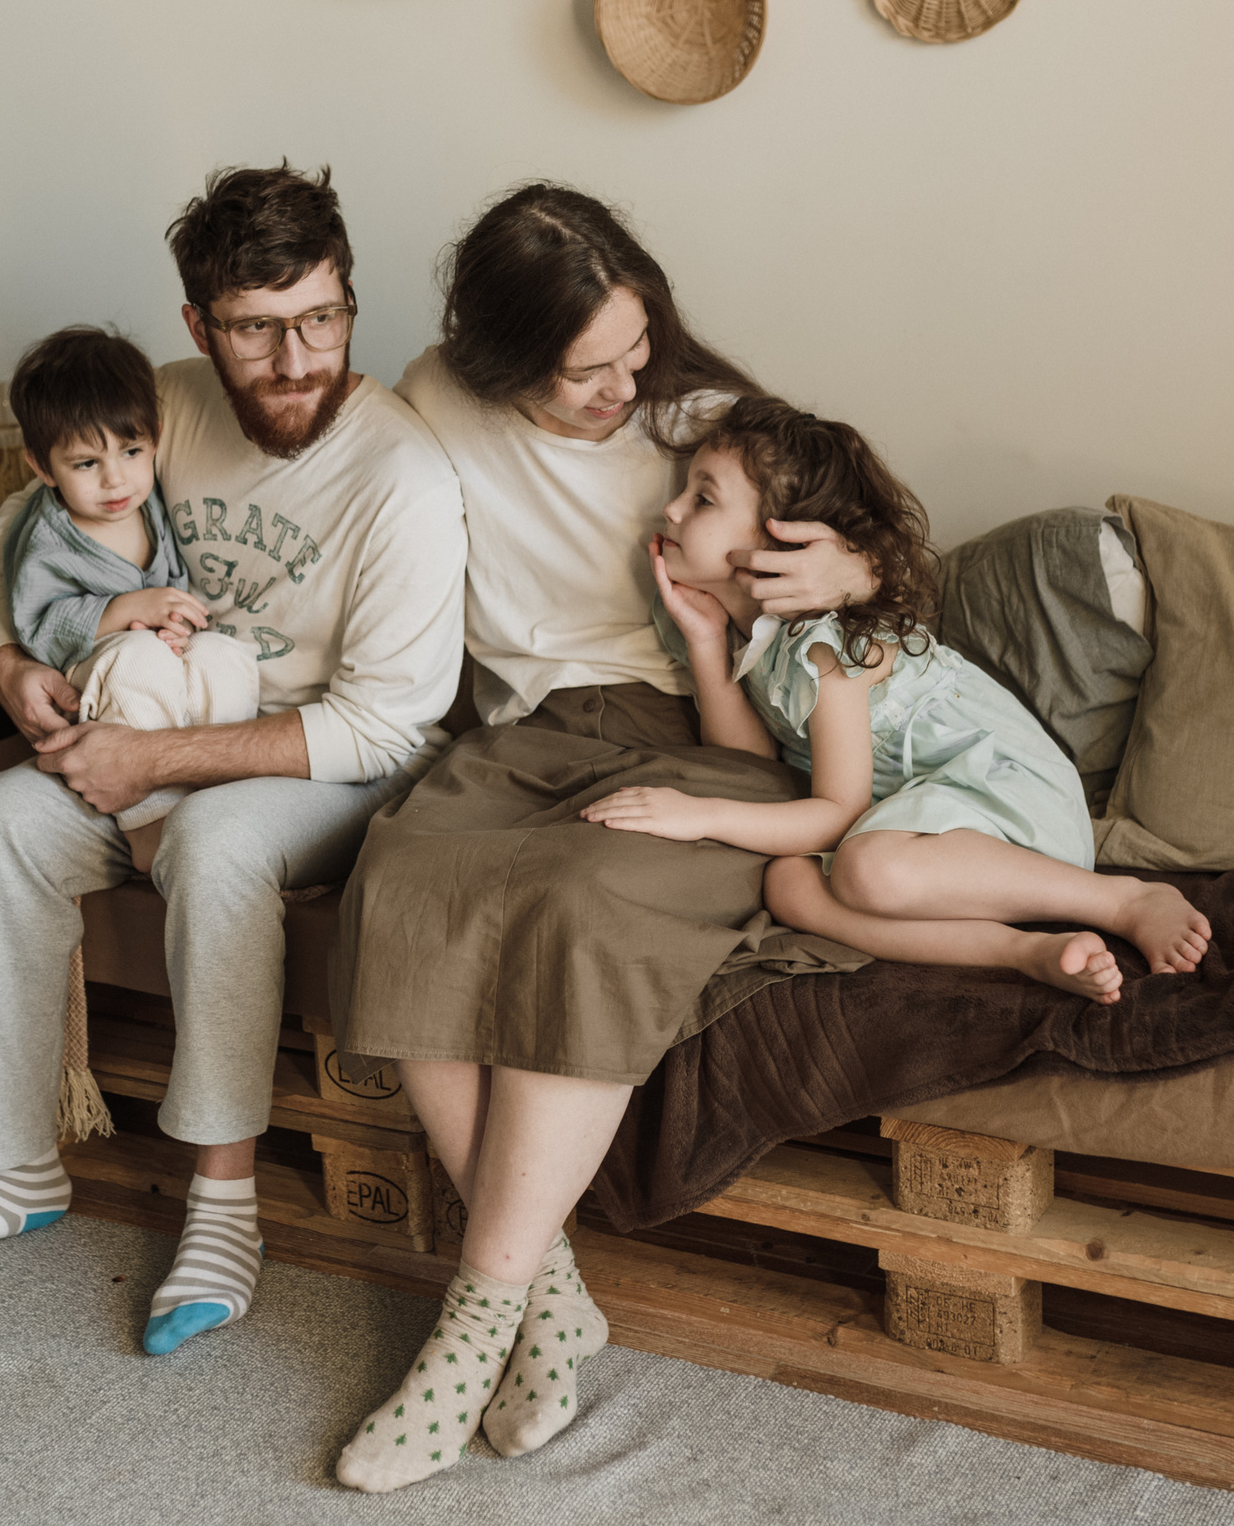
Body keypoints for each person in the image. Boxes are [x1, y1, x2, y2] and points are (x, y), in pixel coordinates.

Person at [0, 166, 466, 1367]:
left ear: (349, 302)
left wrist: (155, 759)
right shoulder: (169, 404)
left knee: (214, 840)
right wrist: (3, 666)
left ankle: (222, 1209)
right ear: (198, 326)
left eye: (321, 319)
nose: (295, 359)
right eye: (255, 329)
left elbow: (388, 727)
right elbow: (10, 529)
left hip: (317, 761)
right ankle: (11, 1168)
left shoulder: (400, 475)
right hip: (147, 724)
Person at [325, 185, 878, 1493]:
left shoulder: (696, 425)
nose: (622, 387)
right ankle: (547, 1296)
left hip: (695, 735)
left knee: (579, 906)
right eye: (587, 370)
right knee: (402, 882)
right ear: (505, 356)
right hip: (522, 734)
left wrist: (847, 576)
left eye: (636, 349)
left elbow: (860, 551)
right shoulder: (432, 397)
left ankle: (468, 1326)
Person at [581, 395, 1211, 998]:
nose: (672, 511)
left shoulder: (830, 646)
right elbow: (748, 765)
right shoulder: (748, 630)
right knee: (789, 886)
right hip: (911, 824)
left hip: (1005, 799)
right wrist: (704, 642)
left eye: (704, 498)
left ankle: (1120, 899)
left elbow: (834, 808)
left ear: (779, 539)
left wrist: (699, 813)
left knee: (865, 871)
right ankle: (1024, 953)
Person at [0, 325, 259, 870]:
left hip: (164, 657)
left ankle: (226, 803)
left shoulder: (153, 501)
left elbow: (170, 588)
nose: (116, 480)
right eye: (86, 464)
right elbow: (39, 626)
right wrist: (125, 612)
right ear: (43, 467)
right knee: (138, 665)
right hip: (97, 681)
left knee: (224, 657)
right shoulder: (50, 539)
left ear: (155, 438)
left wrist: (177, 626)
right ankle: (150, 834)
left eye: (132, 451)